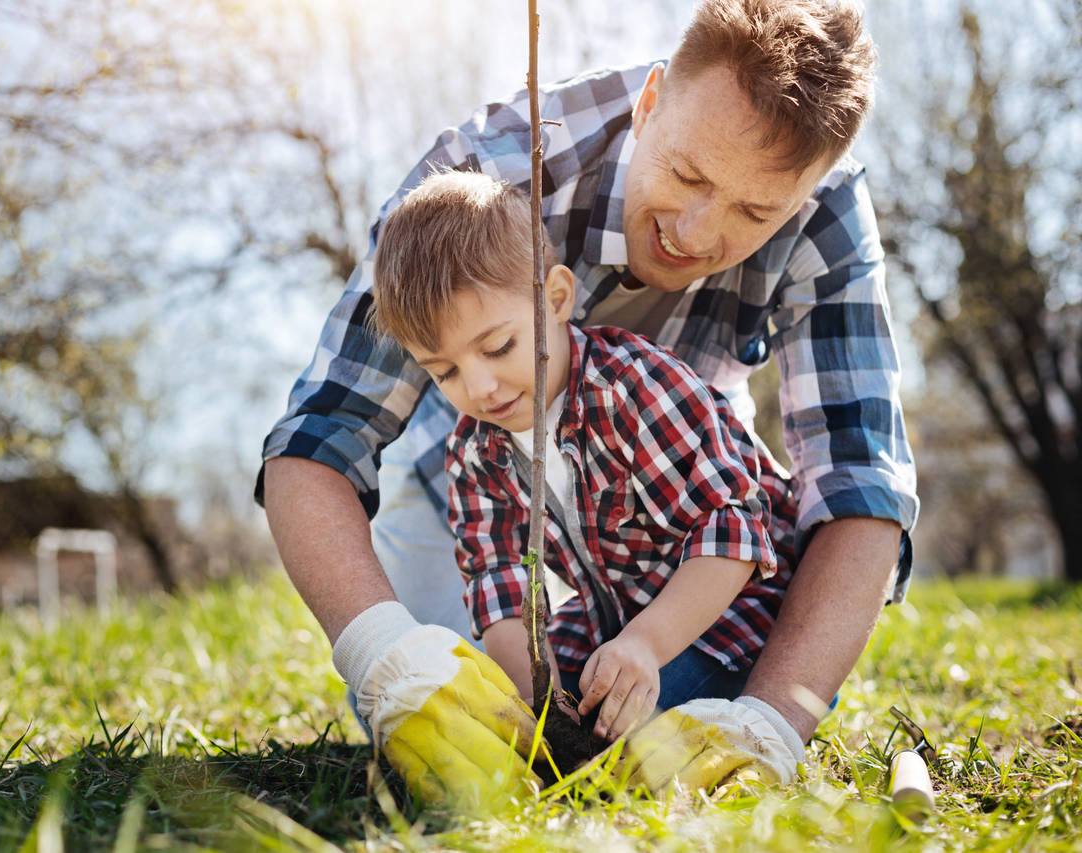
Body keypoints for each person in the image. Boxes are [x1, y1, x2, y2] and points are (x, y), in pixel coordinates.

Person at [259, 0, 918, 803]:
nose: (696, 231)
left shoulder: (827, 216)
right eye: (686, 173)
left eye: (754, 212)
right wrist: (382, 653)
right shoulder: (484, 176)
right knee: (458, 739)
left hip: (690, 497)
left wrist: (772, 718)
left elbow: (859, 483)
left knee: (688, 704)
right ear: (649, 105)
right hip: (475, 485)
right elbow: (321, 434)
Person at [371, 170, 799, 751]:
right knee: (508, 720)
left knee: (632, 737)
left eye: (498, 347)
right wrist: (533, 712)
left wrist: (646, 643)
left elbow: (732, 530)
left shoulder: (637, 387)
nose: (480, 386)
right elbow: (499, 581)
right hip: (612, 618)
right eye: (443, 371)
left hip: (732, 611)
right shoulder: (475, 452)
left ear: (555, 299)